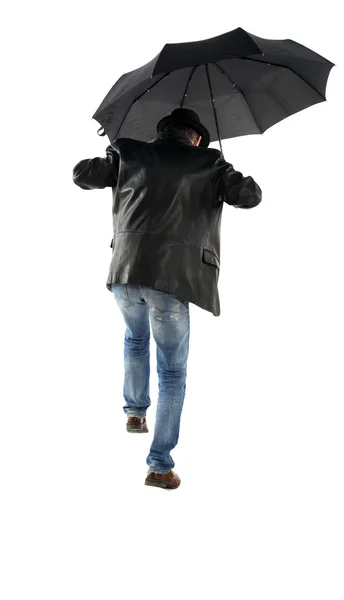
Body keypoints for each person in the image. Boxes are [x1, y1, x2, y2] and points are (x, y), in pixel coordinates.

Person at [72, 108, 262, 490]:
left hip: (124, 274)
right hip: (171, 283)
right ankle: (159, 467)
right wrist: (222, 168)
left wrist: (113, 152)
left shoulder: (127, 150)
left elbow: (82, 174)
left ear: (161, 133)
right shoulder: (207, 161)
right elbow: (250, 195)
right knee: (172, 371)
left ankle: (135, 412)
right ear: (195, 138)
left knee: (134, 339)